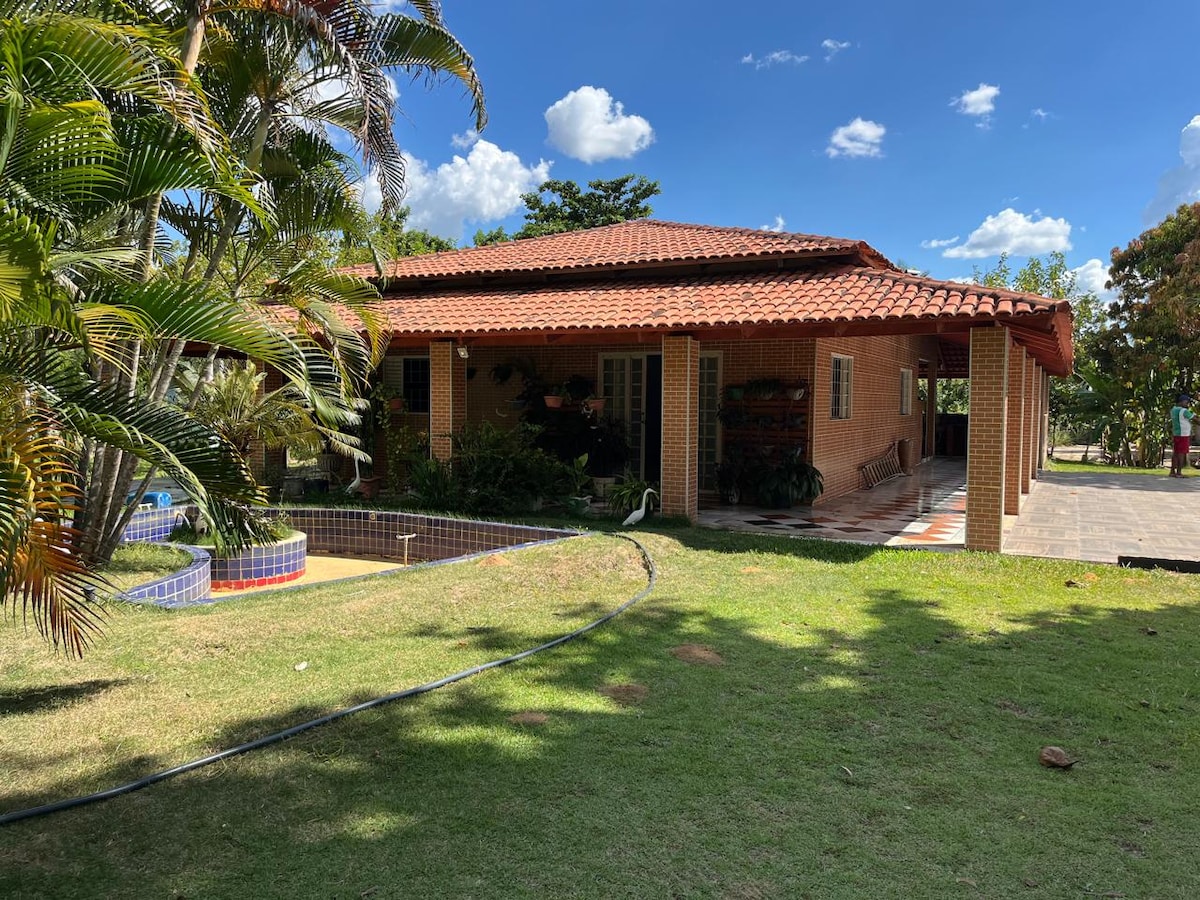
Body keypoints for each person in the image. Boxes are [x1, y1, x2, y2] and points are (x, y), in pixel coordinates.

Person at [1169, 393, 1196, 477]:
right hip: (1183, 434)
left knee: (1176, 453)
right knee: (1182, 453)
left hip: (1176, 433)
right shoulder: (1183, 411)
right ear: (1182, 402)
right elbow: (1194, 419)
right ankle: (1179, 472)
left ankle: (1172, 471)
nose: (1187, 404)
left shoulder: (1173, 410)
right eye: (1186, 402)